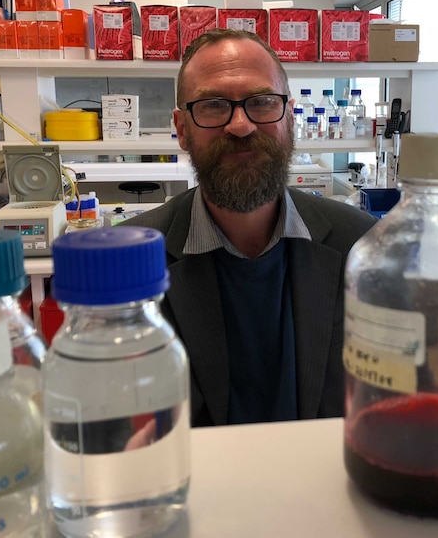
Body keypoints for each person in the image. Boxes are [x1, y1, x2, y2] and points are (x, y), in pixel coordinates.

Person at [122, 29, 377, 427]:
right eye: (212, 105)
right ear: (182, 128)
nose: (240, 125)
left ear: (289, 118)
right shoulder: (129, 261)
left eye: (261, 103)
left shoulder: (363, 248)